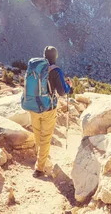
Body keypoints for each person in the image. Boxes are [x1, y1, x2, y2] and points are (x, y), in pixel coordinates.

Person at [28, 46, 72, 178]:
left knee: (37, 135)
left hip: (33, 106)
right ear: (55, 57)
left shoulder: (35, 67)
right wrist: (69, 85)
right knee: (46, 138)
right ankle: (39, 168)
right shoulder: (55, 70)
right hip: (48, 109)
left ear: (44, 55)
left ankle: (41, 157)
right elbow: (61, 92)